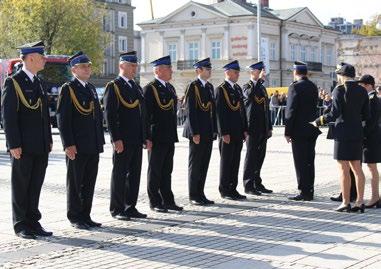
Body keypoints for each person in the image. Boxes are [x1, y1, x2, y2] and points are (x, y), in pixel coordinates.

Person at [1, 41, 53, 239]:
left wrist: (48, 139)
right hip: (22, 145)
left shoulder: (38, 82)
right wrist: (13, 144)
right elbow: (8, 117)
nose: (44, 60)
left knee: (35, 184)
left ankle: (33, 220)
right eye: (42, 57)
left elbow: (44, 115)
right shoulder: (13, 82)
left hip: (39, 144)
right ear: (31, 58)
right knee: (21, 185)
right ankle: (21, 223)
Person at [56, 51, 105, 229]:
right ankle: (75, 216)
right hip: (77, 145)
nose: (87, 69)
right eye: (83, 66)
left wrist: (100, 142)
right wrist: (68, 144)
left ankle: (86, 215)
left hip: (92, 144)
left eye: (88, 66)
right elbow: (63, 119)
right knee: (75, 183)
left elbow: (97, 117)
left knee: (89, 182)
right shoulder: (68, 88)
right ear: (74, 69)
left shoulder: (90, 88)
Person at [314, 63, 369, 212]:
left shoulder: (339, 90)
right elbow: (367, 115)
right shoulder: (362, 91)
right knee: (357, 168)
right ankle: (360, 202)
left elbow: (335, 113)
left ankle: (345, 202)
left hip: (342, 133)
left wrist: (319, 121)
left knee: (343, 169)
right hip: (357, 133)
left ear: (342, 76)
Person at [103, 51, 148, 220]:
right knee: (120, 174)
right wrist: (116, 139)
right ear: (122, 66)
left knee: (134, 174)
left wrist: (145, 137)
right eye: (131, 65)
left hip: (136, 138)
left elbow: (142, 114)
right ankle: (117, 208)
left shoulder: (135, 87)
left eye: (136, 65)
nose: (134, 68)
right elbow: (110, 115)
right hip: (123, 138)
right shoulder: (114, 86)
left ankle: (130, 206)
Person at [143, 55, 183, 213]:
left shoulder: (170, 88)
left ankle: (168, 200)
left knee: (167, 170)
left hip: (169, 135)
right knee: (155, 170)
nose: (171, 71)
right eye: (168, 68)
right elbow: (145, 115)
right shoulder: (150, 89)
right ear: (158, 71)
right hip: (156, 136)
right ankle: (155, 201)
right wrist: (147, 137)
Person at [285, 61, 321, 201]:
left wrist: (287, 131)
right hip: (311, 129)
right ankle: (310, 189)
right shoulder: (312, 86)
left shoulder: (295, 87)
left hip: (299, 131)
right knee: (309, 160)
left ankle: (303, 191)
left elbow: (291, 111)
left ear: (295, 73)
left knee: (300, 161)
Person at [183, 58, 217, 205]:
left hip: (207, 132)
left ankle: (201, 193)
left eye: (209, 69)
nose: (209, 71)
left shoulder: (209, 87)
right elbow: (191, 112)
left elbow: (212, 111)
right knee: (195, 164)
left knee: (204, 164)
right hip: (197, 132)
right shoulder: (193, 86)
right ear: (199, 70)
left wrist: (214, 130)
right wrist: (194, 132)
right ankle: (193, 195)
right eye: (206, 69)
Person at [215, 60, 248, 200]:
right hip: (227, 133)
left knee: (235, 161)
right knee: (226, 162)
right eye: (235, 72)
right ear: (227, 72)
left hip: (238, 132)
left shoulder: (237, 89)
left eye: (238, 72)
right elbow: (219, 113)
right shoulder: (221, 89)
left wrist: (245, 129)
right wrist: (223, 132)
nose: (237, 75)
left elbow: (241, 111)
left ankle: (233, 188)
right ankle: (224, 189)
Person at [242, 61, 273, 196]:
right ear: (252, 72)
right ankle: (248, 184)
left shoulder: (262, 88)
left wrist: (269, 126)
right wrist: (258, 81)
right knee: (251, 157)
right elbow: (248, 98)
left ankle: (257, 182)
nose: (262, 73)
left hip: (262, 128)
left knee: (260, 156)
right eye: (260, 70)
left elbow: (266, 109)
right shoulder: (247, 86)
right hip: (251, 128)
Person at [358, 74, 381, 208]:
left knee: (372, 167)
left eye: (362, 86)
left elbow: (371, 122)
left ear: (368, 86)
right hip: (373, 137)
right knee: (372, 167)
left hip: (371, 137)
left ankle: (374, 197)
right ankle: (376, 196)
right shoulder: (371, 98)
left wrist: (363, 135)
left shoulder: (372, 99)